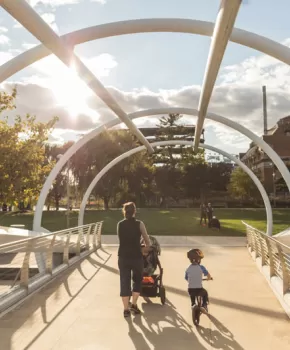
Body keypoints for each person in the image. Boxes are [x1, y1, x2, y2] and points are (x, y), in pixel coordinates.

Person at [117, 202, 151, 317]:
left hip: (123, 257)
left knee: (124, 281)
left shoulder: (120, 224)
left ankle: (126, 309)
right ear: (134, 211)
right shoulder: (139, 224)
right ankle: (134, 304)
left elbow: (122, 240)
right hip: (136, 257)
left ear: (124, 211)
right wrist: (143, 251)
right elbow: (148, 242)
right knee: (137, 280)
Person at [185, 248, 212, 313]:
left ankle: (193, 304)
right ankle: (204, 305)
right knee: (205, 293)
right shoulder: (201, 267)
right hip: (199, 289)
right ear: (199, 260)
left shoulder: (188, 268)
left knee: (192, 295)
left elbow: (186, 278)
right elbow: (208, 275)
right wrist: (209, 278)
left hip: (190, 290)